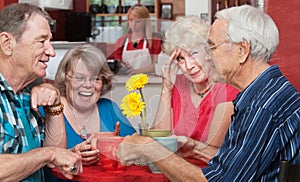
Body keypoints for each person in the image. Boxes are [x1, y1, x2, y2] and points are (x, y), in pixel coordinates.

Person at [117, 5, 300, 181]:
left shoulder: (259, 107)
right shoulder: (270, 89)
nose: (209, 56)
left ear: (242, 50)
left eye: (212, 47)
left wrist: (149, 148)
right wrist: (194, 147)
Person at [0, 3, 82, 181]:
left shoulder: (27, 93)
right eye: (41, 41)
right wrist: (49, 154)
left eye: (50, 41)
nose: (51, 52)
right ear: (7, 44)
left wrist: (54, 106)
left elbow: (54, 162)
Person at [41, 43, 136, 181]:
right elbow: (36, 163)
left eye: (95, 78)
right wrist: (71, 155)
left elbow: (140, 152)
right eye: (79, 78)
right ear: (65, 78)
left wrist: (120, 146)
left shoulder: (110, 109)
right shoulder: (48, 109)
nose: (87, 85)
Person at [152, 16, 239, 163]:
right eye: (180, 58)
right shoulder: (177, 85)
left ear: (209, 53)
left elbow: (213, 155)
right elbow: (158, 140)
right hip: (174, 170)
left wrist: (184, 147)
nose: (189, 65)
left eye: (193, 54)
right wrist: (166, 89)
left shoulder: (227, 89)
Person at [114, 4, 162, 74]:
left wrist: (137, 71)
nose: (133, 24)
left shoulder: (154, 40)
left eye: (138, 21)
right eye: (131, 20)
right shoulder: (121, 41)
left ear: (145, 22)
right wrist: (122, 66)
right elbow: (117, 64)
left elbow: (156, 65)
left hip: (149, 82)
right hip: (126, 81)